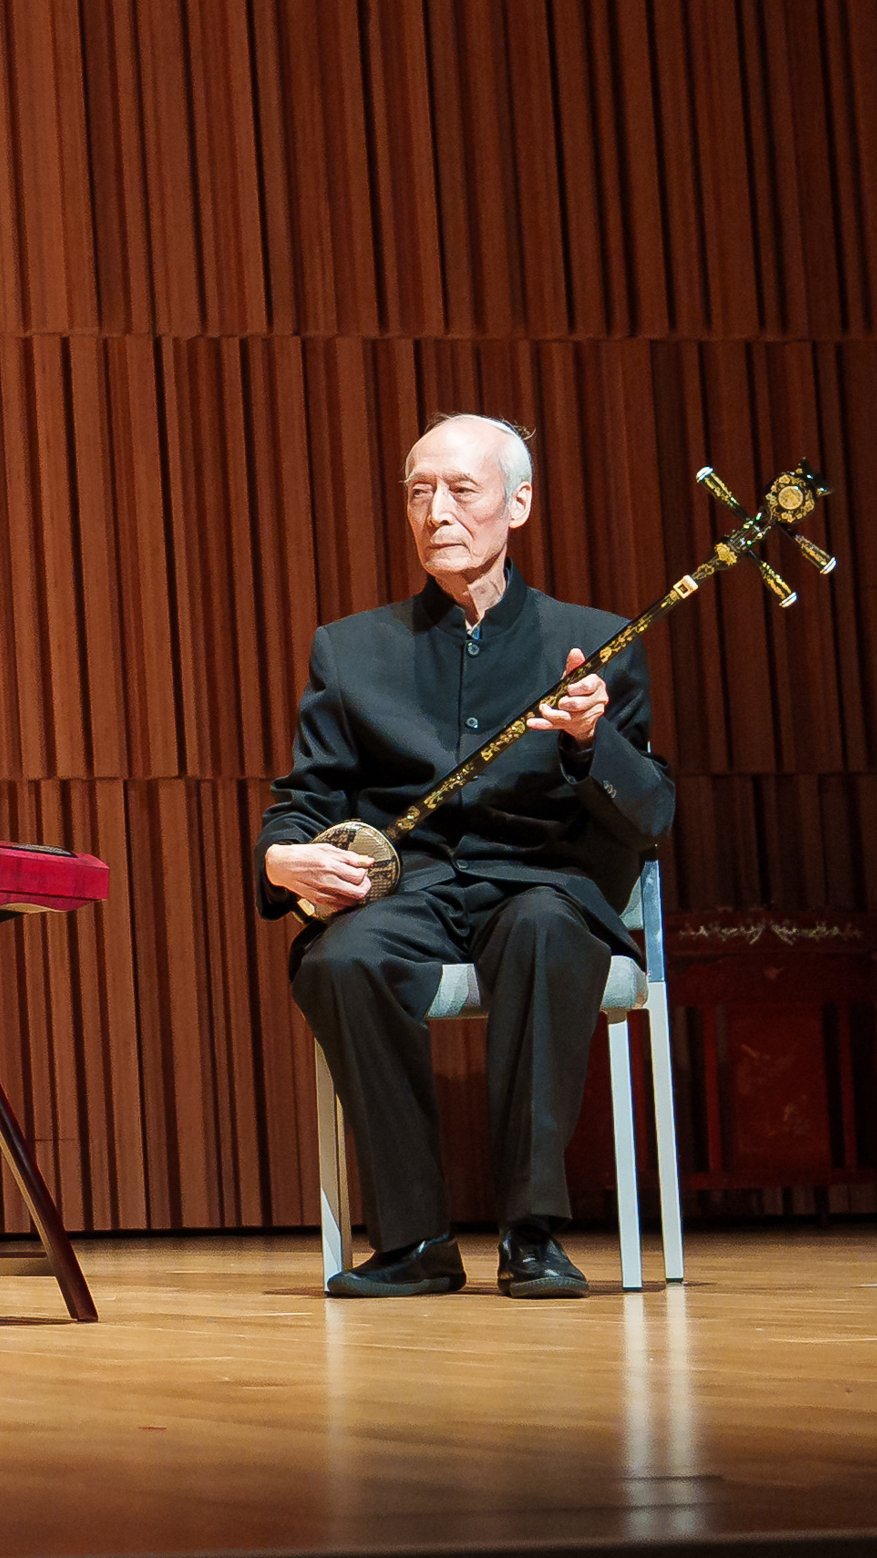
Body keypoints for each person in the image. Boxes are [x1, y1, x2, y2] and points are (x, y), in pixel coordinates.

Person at [261, 414, 674, 1299]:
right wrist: (280, 862)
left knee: (544, 932)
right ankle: (414, 1242)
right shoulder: (353, 648)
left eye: (461, 490)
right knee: (341, 958)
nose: (436, 512)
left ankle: (533, 1234)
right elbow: (303, 800)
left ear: (517, 504)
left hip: (541, 885)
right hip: (408, 893)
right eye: (418, 492)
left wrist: (590, 742)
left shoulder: (595, 640)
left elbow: (651, 815)